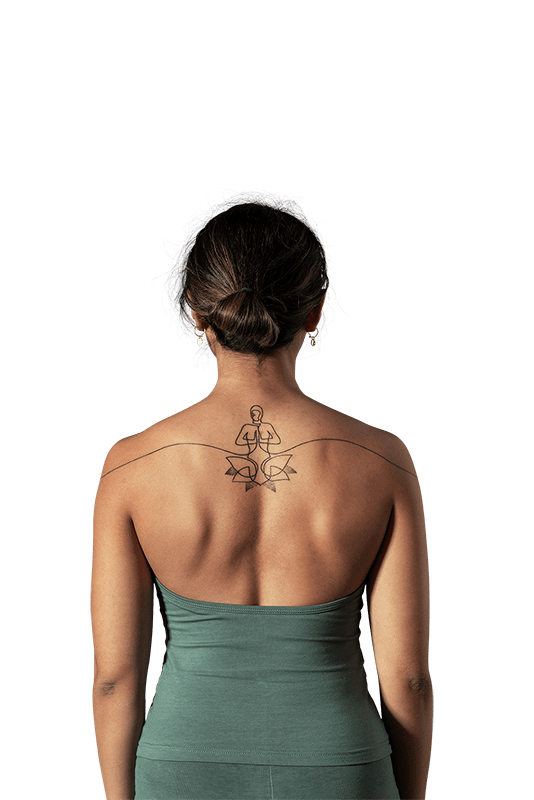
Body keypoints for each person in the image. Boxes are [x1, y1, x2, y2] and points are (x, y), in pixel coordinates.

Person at [91, 188, 433, 800]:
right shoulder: (382, 460)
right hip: (340, 763)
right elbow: (408, 682)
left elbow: (115, 681)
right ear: (315, 311)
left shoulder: (131, 466)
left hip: (184, 763)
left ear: (196, 312)